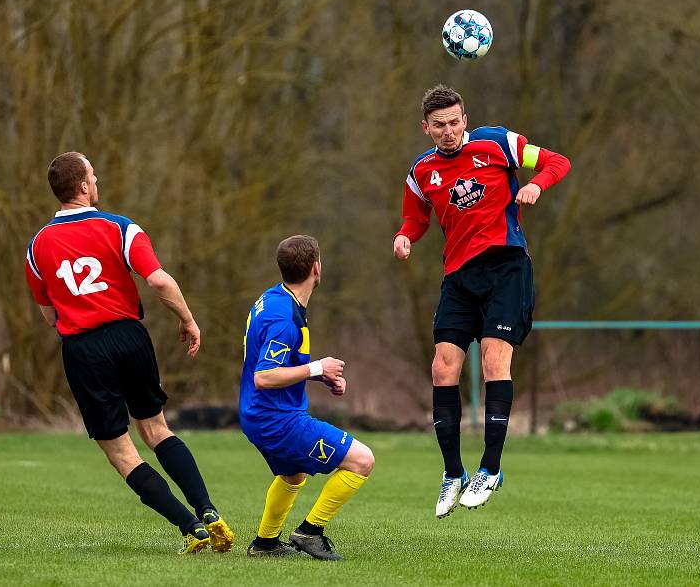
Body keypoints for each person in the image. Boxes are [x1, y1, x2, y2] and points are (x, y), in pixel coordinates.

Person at [25, 152, 235, 554]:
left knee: (121, 452)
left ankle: (191, 527)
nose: (97, 178)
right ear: (83, 186)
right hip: (129, 337)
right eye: (93, 174)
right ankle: (207, 509)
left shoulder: (36, 247)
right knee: (157, 429)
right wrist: (187, 319)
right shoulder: (120, 227)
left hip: (83, 348)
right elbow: (158, 280)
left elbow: (49, 314)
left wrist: (79, 321)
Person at [392, 85, 571, 517]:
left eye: (455, 122)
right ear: (426, 128)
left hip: (507, 267)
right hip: (458, 277)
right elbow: (415, 219)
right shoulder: (421, 172)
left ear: (465, 119)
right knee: (442, 366)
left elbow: (556, 161)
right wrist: (404, 235)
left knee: (494, 361)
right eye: (440, 125)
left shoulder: (497, 144)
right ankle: (452, 473)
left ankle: (490, 468)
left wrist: (537, 186)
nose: (449, 131)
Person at [239, 235, 375, 560]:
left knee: (293, 474)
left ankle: (265, 543)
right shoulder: (283, 318)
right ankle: (310, 532)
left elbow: (280, 362)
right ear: (317, 268)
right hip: (278, 420)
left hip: (260, 414)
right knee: (362, 460)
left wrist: (321, 376)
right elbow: (264, 376)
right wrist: (316, 366)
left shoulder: (274, 299)